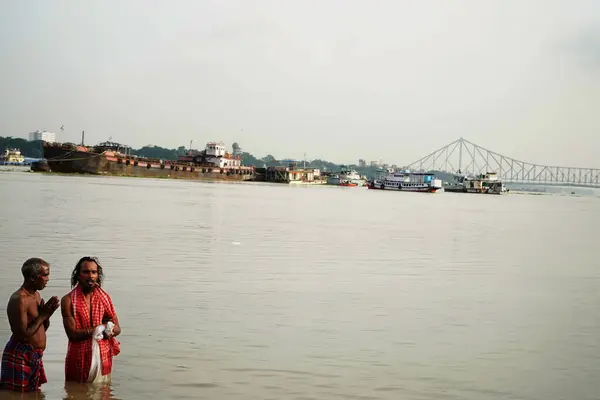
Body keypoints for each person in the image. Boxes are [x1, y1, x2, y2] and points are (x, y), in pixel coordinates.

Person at [0, 257, 60, 392]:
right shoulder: (19, 299)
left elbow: (40, 328)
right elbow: (22, 335)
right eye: (45, 275)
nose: (48, 279)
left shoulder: (36, 296)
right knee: (17, 395)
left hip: (35, 355)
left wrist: (46, 317)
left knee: (34, 394)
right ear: (33, 277)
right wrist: (43, 315)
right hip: (20, 354)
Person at [61, 257, 121, 383]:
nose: (91, 276)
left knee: (104, 393)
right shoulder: (68, 300)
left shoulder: (105, 298)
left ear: (98, 275)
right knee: (76, 393)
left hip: (102, 356)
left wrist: (109, 330)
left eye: (94, 272)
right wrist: (98, 329)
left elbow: (117, 328)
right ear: (78, 275)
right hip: (78, 357)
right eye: (86, 272)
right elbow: (72, 334)